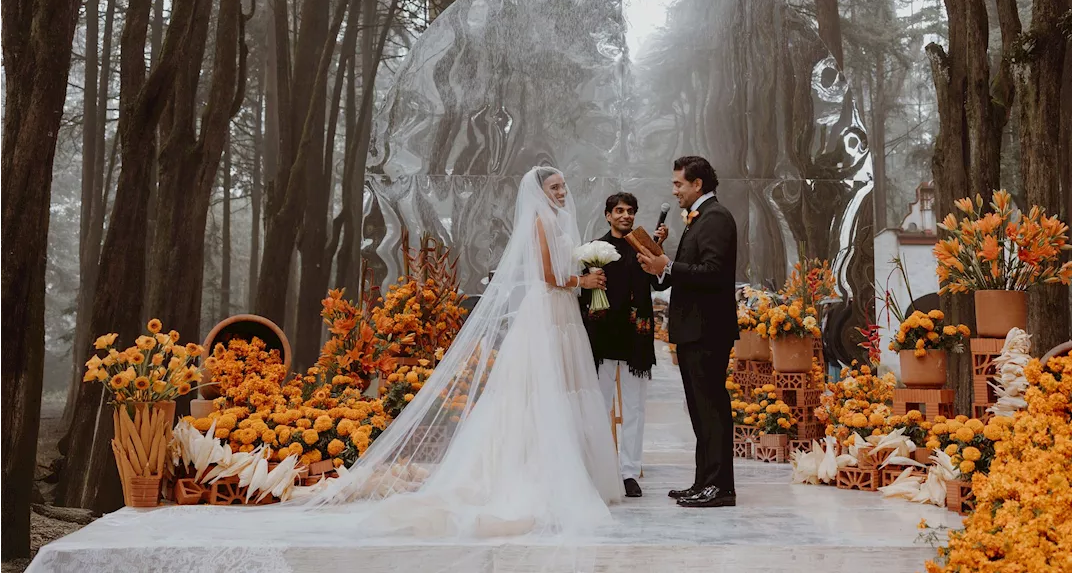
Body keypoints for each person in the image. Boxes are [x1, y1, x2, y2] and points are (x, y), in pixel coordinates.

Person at [25, 167, 623, 572]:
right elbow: (547, 277)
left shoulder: (562, 223)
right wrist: (584, 278)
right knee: (536, 395)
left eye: (565, 185)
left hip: (564, 318)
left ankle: (570, 465)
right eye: (555, 185)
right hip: (549, 315)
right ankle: (535, 473)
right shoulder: (542, 225)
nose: (563, 192)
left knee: (567, 392)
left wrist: (585, 277)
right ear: (538, 194)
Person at [637, 156, 738, 508]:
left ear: (698, 184)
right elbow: (691, 271)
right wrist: (660, 264)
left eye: (679, 184)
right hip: (695, 329)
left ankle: (721, 487)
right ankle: (704, 481)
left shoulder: (715, 218)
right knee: (699, 408)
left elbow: (712, 272)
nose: (674, 190)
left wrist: (669, 266)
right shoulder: (700, 219)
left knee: (711, 407)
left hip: (708, 329)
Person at [580, 192, 657, 498]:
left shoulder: (642, 244)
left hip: (635, 336)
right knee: (599, 404)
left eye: (631, 211)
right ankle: (601, 468)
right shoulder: (593, 249)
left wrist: (656, 253)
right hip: (602, 337)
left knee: (635, 407)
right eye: (620, 211)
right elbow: (584, 292)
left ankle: (628, 472)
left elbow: (661, 282)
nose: (626, 215)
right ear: (608, 215)